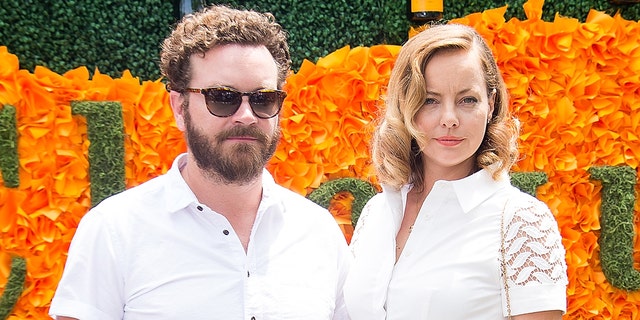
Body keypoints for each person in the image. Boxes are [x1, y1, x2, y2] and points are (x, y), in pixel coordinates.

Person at [49, 5, 351, 320]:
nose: (246, 116)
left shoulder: (318, 232)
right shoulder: (115, 230)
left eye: (263, 99)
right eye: (222, 97)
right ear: (179, 108)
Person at [343, 24, 568, 319]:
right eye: (429, 100)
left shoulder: (521, 220)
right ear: (405, 105)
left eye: (467, 100)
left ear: (491, 104)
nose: (449, 119)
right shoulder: (377, 211)